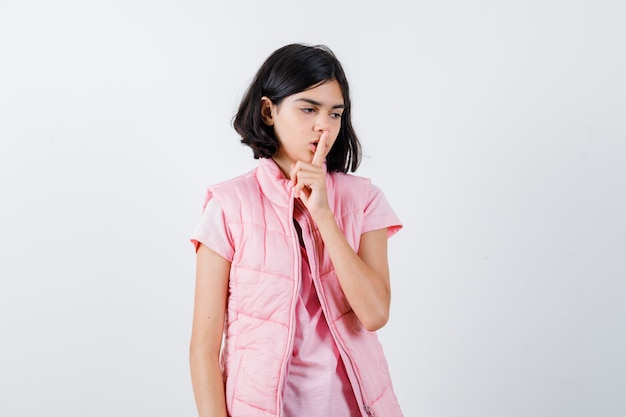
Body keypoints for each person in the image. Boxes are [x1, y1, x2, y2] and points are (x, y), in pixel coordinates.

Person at [189, 43, 404, 417]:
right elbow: (204, 349)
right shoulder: (228, 206)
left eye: (335, 113)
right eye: (309, 108)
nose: (324, 125)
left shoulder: (364, 200)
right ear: (268, 110)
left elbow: (374, 314)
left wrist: (323, 215)